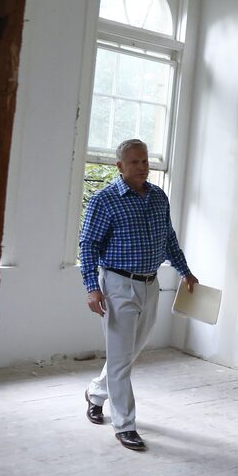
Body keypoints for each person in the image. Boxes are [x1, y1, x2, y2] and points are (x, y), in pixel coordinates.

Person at [79, 138, 198, 451]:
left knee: (128, 354)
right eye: (134, 162)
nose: (142, 167)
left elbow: (168, 238)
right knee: (121, 360)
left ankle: (95, 392)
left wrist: (184, 270)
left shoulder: (158, 197)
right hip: (117, 286)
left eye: (144, 161)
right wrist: (92, 288)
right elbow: (88, 245)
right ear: (120, 166)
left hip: (150, 284)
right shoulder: (104, 200)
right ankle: (125, 425)